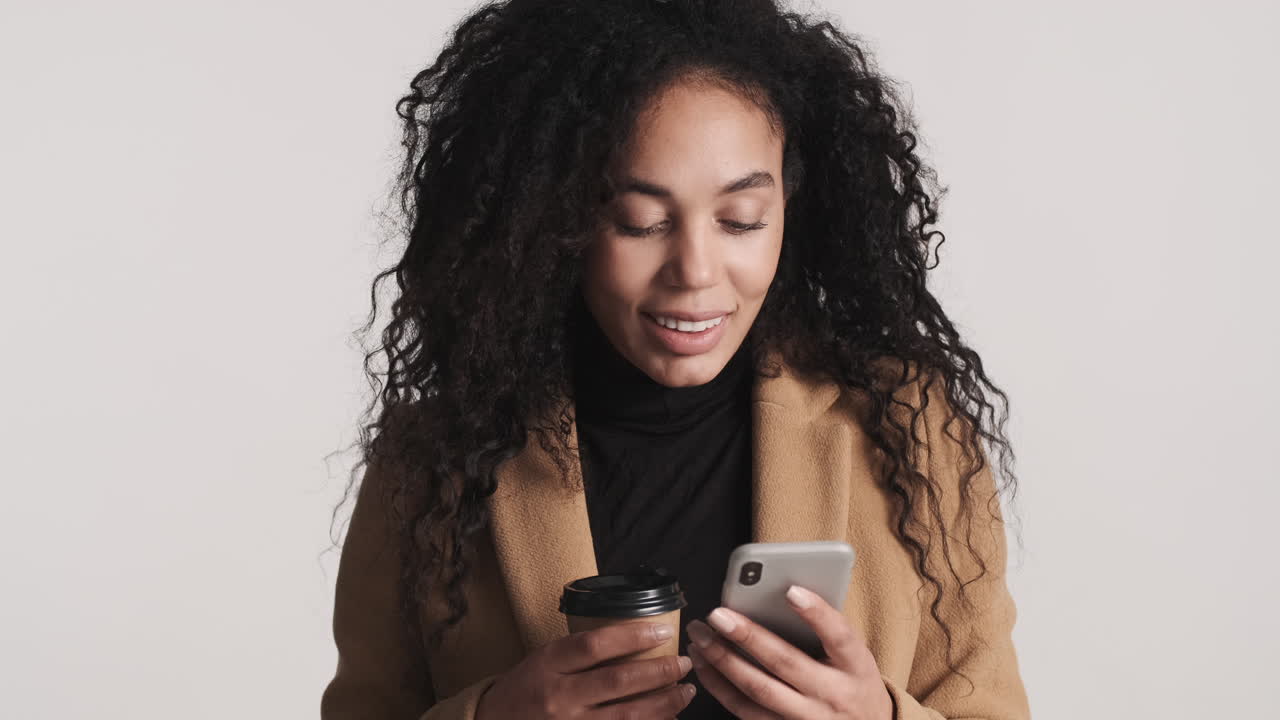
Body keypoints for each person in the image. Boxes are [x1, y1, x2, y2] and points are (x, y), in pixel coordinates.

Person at [320, 1, 1030, 718]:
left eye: (741, 220)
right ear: (554, 219)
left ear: (790, 205)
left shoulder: (908, 427)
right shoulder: (440, 454)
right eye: (641, 222)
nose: (695, 271)